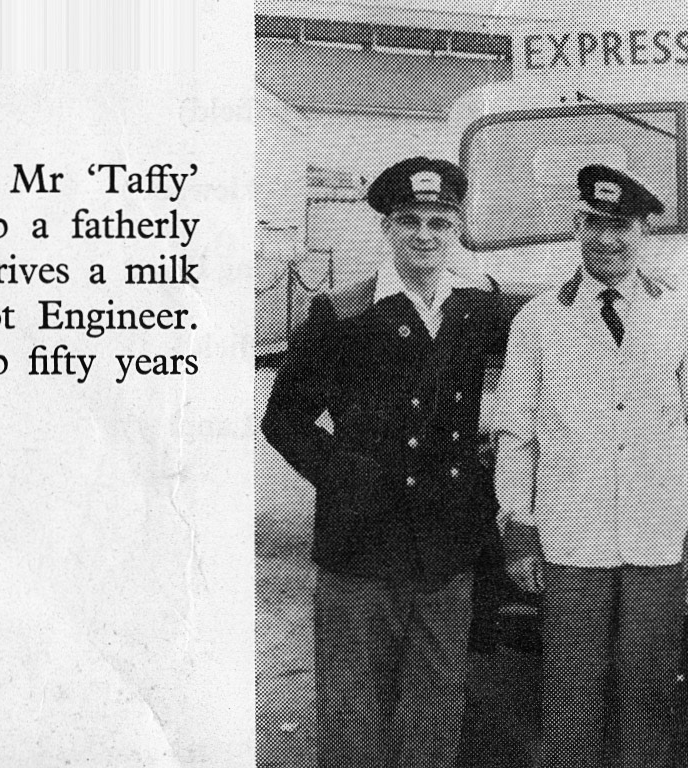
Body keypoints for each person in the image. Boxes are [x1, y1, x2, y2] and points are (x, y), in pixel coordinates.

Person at [262, 157, 509, 768]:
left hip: (444, 551)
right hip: (359, 552)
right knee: (352, 719)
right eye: (408, 222)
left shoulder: (484, 315)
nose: (424, 235)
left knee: (432, 718)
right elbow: (283, 420)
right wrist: (347, 479)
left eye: (439, 222)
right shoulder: (344, 315)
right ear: (386, 229)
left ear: (458, 229)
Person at [489, 165, 688, 768]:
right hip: (573, 538)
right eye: (594, 225)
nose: (606, 240)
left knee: (647, 699)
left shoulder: (681, 317)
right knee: (568, 697)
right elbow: (516, 433)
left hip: (658, 535)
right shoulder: (540, 318)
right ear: (578, 226)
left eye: (620, 227)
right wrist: (518, 531)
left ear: (644, 230)